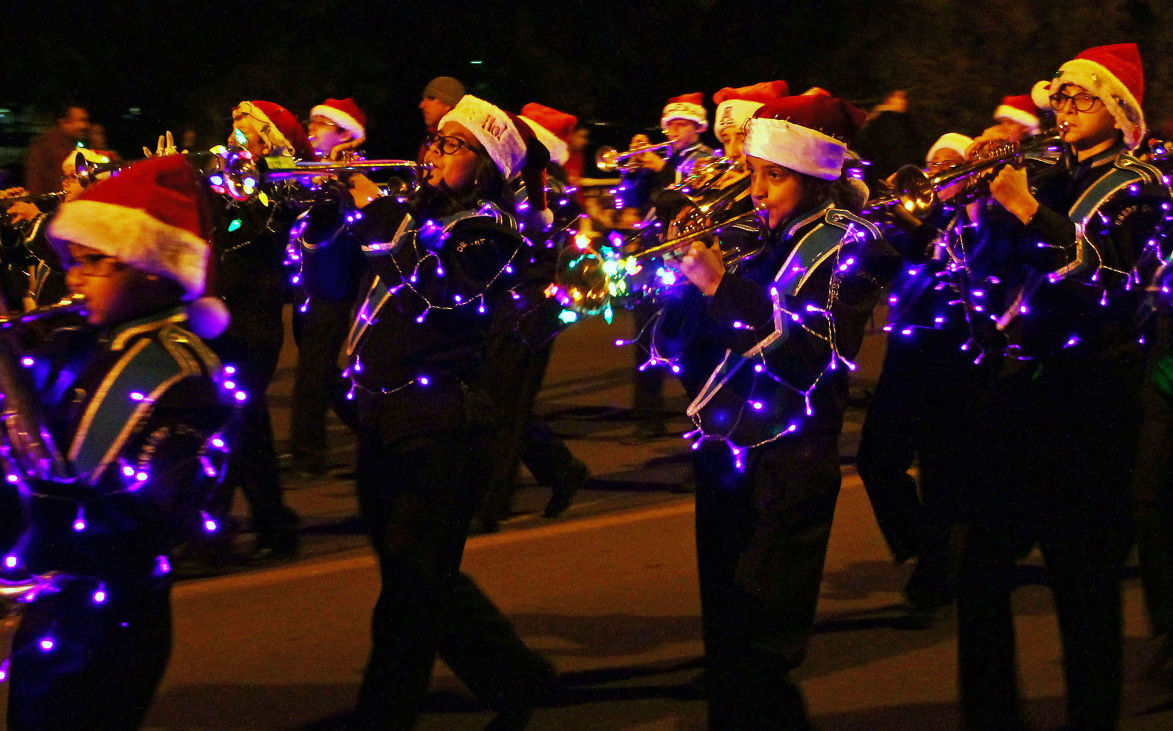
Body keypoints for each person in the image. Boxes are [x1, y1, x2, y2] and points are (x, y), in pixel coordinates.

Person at [301, 93, 555, 728]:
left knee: (409, 594)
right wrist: (326, 210)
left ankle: (384, 714)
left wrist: (374, 204)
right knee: (417, 577)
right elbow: (329, 275)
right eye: (435, 140)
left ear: (486, 160)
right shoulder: (418, 210)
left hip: (442, 425)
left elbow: (434, 281)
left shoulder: (489, 226)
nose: (432, 152)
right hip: (384, 417)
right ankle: (516, 678)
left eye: (452, 143)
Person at [658, 93, 897, 728]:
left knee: (761, 651)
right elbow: (683, 349)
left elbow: (808, 356)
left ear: (815, 175)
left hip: (792, 457)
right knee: (725, 634)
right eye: (754, 172)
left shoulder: (856, 244)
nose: (756, 190)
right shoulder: (748, 237)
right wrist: (682, 287)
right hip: (726, 448)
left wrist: (719, 286)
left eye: (775, 174)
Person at [957, 43, 1171, 727]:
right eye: (1060, 96)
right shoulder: (1046, 175)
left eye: (1082, 97)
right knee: (978, 563)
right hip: (1019, 391)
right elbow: (989, 274)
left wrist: (1024, 209)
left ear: (1116, 110)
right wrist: (976, 211)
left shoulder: (1140, 183)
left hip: (1092, 397)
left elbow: (1103, 277)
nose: (1064, 108)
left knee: (1084, 589)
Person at [1, 154, 235, 727]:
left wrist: (45, 529)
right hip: (53, 608)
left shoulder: (182, 375)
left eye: (92, 263)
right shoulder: (78, 340)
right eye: (69, 263)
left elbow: (162, 512)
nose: (72, 280)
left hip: (116, 615)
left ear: (150, 269)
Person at [857, 132, 1015, 612]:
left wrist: (936, 224)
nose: (938, 173)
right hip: (908, 352)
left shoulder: (983, 220)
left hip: (958, 355)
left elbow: (979, 271)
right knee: (876, 459)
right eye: (932, 164)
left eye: (949, 165)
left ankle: (933, 579)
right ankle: (932, 548)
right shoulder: (912, 223)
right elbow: (870, 265)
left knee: (942, 471)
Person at [202, 100, 309, 562]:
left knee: (232, 425)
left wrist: (249, 183)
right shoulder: (228, 181)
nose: (232, 140)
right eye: (231, 131)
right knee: (242, 428)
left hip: (255, 321)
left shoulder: (281, 189)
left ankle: (215, 533)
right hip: (228, 316)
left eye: (243, 134)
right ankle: (270, 526)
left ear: (268, 142)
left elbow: (257, 232)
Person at [625, 93, 717, 440]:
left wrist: (658, 169)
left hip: (682, 258)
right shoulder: (664, 160)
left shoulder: (705, 158)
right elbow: (634, 202)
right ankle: (647, 417)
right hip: (651, 253)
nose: (676, 131)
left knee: (685, 336)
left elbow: (682, 200)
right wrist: (634, 172)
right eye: (671, 125)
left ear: (697, 129)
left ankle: (703, 410)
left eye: (684, 125)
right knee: (644, 334)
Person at [288, 97, 370, 476]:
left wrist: (334, 173)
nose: (312, 129)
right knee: (320, 370)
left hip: (334, 284)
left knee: (313, 370)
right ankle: (372, 430)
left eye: (322, 123)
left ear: (345, 133)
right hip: (307, 283)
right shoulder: (309, 169)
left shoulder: (354, 171)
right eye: (313, 121)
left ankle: (307, 452)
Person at [23, 103, 90, 195]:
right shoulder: (45, 144)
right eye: (80, 121)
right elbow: (35, 182)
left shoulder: (72, 145)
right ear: (63, 122)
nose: (85, 126)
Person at [417, 76, 465, 163]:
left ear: (448, 104)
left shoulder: (457, 150)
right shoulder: (430, 140)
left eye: (431, 98)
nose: (422, 105)